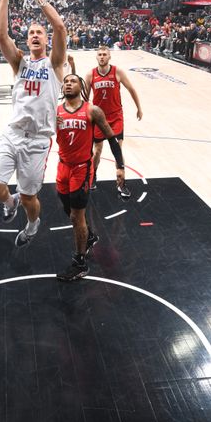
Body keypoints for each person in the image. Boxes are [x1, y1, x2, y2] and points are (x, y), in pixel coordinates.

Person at [0, 0, 67, 247]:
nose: (34, 35)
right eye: (30, 32)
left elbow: (60, 26)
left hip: (38, 141)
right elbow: (0, 35)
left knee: (31, 198)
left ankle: (32, 225)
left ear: (46, 40)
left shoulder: (54, 64)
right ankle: (10, 202)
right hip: (13, 133)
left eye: (39, 33)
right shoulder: (19, 62)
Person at [55, 74, 126, 282]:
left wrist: (120, 167)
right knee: (69, 212)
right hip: (62, 167)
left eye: (73, 81)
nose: (68, 83)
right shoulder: (55, 111)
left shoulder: (92, 110)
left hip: (82, 169)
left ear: (82, 87)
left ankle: (80, 263)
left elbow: (112, 139)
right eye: (66, 81)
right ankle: (90, 236)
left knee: (77, 217)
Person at [83, 46, 142, 196]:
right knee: (97, 151)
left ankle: (122, 184)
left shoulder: (118, 72)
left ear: (109, 57)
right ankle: (93, 176)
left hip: (115, 116)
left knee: (118, 150)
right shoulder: (90, 74)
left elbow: (132, 89)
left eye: (105, 54)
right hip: (98, 118)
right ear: (96, 57)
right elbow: (84, 99)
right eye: (99, 55)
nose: (102, 57)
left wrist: (138, 108)